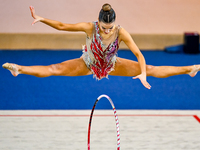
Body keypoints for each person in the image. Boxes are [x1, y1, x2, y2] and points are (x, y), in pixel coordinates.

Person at [2, 3, 200, 90]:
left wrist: (142, 74)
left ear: (115, 23)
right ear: (98, 22)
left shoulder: (121, 32)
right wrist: (41, 18)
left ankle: (189, 69)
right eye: (104, 28)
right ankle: (20, 69)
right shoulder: (90, 27)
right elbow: (63, 26)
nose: (107, 31)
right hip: (88, 63)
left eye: (110, 27)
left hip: (113, 64)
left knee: (151, 70)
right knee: (54, 69)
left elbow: (139, 54)